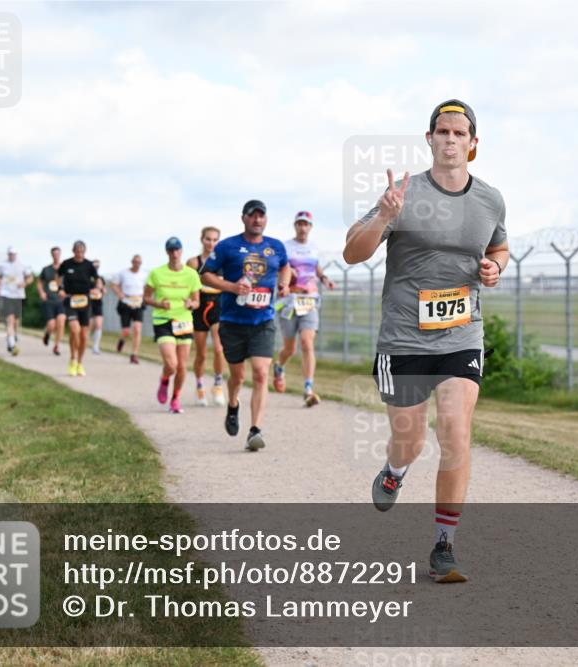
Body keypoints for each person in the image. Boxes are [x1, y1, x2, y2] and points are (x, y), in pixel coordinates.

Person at [343, 100, 508, 583]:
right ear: (429, 139)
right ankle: (394, 470)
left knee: (455, 431)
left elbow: (498, 244)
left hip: (462, 333)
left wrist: (495, 267)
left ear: (473, 144)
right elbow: (353, 252)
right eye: (442, 131)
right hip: (404, 340)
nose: (451, 140)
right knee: (409, 440)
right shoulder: (403, 193)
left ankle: (444, 545)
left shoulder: (491, 199)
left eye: (460, 133)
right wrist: (382, 217)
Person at [201, 200, 290, 451]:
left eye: (261, 216)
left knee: (261, 373)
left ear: (266, 219)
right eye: (253, 216)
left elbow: (285, 268)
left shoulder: (276, 247)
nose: (257, 220)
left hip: (263, 322)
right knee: (238, 376)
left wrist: (283, 284)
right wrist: (231, 287)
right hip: (232, 322)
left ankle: (255, 430)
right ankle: (232, 404)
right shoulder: (228, 246)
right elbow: (205, 274)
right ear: (244, 218)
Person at [273, 210, 335, 407]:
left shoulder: (314, 247)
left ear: (310, 227)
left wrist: (324, 279)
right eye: (299, 224)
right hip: (290, 300)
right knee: (290, 349)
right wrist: (287, 273)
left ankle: (308, 388)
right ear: (295, 226)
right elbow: (278, 268)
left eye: (306, 224)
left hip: (309, 300)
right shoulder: (285, 246)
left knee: (307, 343)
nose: (302, 227)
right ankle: (279, 366)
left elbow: (316, 268)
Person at [144, 237, 201, 414]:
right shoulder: (156, 273)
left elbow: (197, 301)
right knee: (172, 364)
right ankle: (164, 379)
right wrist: (160, 304)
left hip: (184, 321)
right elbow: (146, 298)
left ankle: (175, 399)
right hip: (163, 320)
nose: (174, 253)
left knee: (182, 366)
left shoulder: (191, 274)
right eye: (171, 250)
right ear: (167, 252)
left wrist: (191, 304)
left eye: (177, 250)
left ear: (182, 251)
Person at [186, 226, 227, 407]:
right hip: (199, 307)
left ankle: (218, 385)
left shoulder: (224, 262)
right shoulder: (193, 263)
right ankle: (200, 386)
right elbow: (187, 286)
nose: (211, 243)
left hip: (218, 306)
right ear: (202, 240)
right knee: (201, 353)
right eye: (208, 239)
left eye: (215, 240)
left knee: (219, 349)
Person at [57, 241, 98, 377]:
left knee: (84, 335)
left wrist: (96, 289)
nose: (80, 254)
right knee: (75, 330)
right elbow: (58, 277)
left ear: (85, 252)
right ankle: (73, 359)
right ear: (73, 251)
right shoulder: (66, 264)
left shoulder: (89, 265)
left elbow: (97, 280)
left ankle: (80, 363)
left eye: (82, 252)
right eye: (77, 251)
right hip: (71, 300)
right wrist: (60, 289)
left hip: (85, 301)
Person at [111, 254, 147, 364]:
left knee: (137, 328)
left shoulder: (144, 275)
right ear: (132, 262)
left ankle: (134, 354)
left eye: (139, 262)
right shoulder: (123, 273)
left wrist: (145, 296)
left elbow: (148, 287)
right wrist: (120, 294)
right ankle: (122, 340)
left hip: (138, 303)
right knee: (126, 331)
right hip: (126, 302)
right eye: (135, 262)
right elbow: (113, 285)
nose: (137, 264)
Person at [0, 246, 32, 356]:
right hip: (6, 295)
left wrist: (25, 283)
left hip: (18, 295)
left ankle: (12, 336)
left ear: (16, 254)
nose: (12, 256)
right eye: (10, 254)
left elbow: (30, 277)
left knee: (16, 322)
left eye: (13, 254)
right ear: (8, 254)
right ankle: (12, 344)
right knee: (9, 320)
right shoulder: (2, 265)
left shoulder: (22, 265)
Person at [37, 247, 66, 356]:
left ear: (60, 255)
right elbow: (39, 282)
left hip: (61, 301)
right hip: (49, 300)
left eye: (58, 254)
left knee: (61, 321)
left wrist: (66, 292)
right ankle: (47, 334)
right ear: (52, 255)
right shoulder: (47, 269)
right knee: (51, 325)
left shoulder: (64, 269)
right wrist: (41, 292)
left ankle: (56, 346)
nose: (56, 256)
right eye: (54, 254)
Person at [90, 259, 105, 354]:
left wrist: (102, 289)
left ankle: (95, 346)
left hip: (98, 304)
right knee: (89, 326)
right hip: (88, 303)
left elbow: (104, 289)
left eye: (97, 266)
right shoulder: (87, 277)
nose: (96, 268)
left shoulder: (100, 278)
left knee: (99, 325)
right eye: (95, 266)